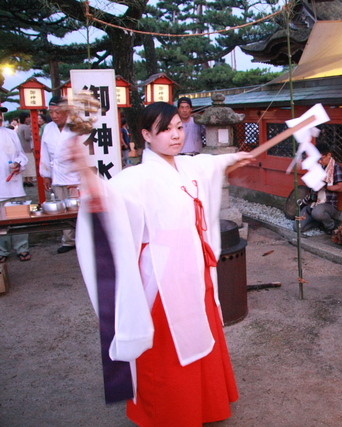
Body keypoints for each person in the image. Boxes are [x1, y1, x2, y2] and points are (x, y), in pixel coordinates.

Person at [74, 102, 254, 426]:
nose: (175, 136)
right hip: (162, 275)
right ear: (146, 135)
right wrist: (83, 170)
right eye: (165, 130)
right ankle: (168, 413)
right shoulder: (137, 178)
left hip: (196, 269)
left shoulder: (186, 167)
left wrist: (234, 158)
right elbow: (106, 199)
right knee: (167, 350)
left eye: (179, 128)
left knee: (202, 332)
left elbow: (209, 165)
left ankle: (206, 404)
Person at [40, 96, 80, 254]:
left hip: (75, 176)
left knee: (78, 211)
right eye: (51, 112)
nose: (54, 115)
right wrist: (45, 174)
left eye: (57, 112)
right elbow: (44, 153)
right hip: (57, 174)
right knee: (62, 210)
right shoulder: (48, 128)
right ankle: (68, 240)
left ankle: (84, 240)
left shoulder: (76, 126)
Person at [0, 107, 30, 262]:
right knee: (1, 223)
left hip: (14, 184)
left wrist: (19, 164)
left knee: (19, 218)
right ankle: (2, 251)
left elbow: (22, 156)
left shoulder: (11, 133)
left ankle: (22, 248)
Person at [294, 142, 342, 234]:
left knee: (317, 212)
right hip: (313, 203)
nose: (319, 162)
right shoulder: (317, 167)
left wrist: (325, 186)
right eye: (318, 159)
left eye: (321, 159)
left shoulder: (336, 168)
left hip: (328, 204)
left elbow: (340, 187)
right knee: (297, 228)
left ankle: (331, 226)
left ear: (329, 155)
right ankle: (318, 222)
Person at [16, 112, 36, 187]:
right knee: (30, 164)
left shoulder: (19, 126)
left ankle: (26, 179)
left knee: (25, 165)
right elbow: (27, 137)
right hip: (28, 148)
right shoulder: (25, 127)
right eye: (28, 117)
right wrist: (33, 136)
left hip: (22, 148)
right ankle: (29, 180)